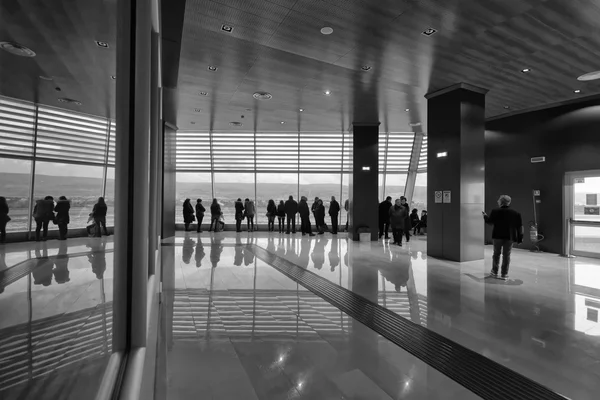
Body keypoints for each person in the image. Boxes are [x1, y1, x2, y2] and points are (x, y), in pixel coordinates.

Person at [483, 195, 523, 280]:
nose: (497, 201)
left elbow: (490, 222)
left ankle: (494, 271)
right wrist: (520, 238)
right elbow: (519, 227)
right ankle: (504, 274)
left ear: (501, 202)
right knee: (506, 255)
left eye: (498, 200)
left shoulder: (495, 211)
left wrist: (485, 216)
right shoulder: (515, 213)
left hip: (497, 236)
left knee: (496, 254)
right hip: (510, 237)